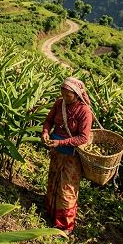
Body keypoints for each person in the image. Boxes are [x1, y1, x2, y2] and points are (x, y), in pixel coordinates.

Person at [41, 77, 93, 236]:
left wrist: (60, 143)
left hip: (72, 156)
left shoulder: (84, 111)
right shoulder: (59, 103)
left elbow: (83, 138)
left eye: (68, 95)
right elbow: (49, 121)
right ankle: (51, 212)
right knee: (54, 179)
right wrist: (45, 132)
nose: (64, 97)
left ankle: (65, 225)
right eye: (62, 93)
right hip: (57, 152)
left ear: (77, 94)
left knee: (67, 189)